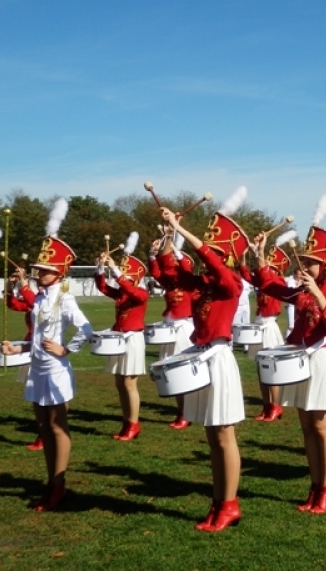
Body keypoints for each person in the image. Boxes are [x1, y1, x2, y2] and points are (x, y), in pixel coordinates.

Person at [159, 194, 247, 532]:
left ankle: (229, 504)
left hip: (219, 358)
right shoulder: (203, 285)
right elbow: (169, 270)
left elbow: (214, 264)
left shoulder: (230, 284)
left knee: (224, 434)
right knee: (212, 434)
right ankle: (219, 500)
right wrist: (170, 232)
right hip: (201, 356)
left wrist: (182, 229)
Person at [0, 199, 94, 511]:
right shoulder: (40, 300)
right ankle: (50, 481)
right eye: (39, 269)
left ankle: (58, 484)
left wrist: (68, 348)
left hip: (55, 370)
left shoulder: (65, 299)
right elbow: (39, 337)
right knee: (43, 426)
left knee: (57, 426)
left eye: (45, 270)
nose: (39, 273)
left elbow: (87, 329)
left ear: (59, 273)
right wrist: (19, 347)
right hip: (38, 367)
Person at [254, 207, 326, 514]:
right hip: (300, 359)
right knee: (306, 427)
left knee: (322, 425)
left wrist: (318, 292)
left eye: (313, 263)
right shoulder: (301, 292)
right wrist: (260, 258)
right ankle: (315, 485)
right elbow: (271, 286)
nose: (306, 266)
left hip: (320, 359)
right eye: (305, 261)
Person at [95, 234, 149, 441]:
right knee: (120, 383)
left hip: (133, 339)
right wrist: (100, 267)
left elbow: (128, 288)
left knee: (129, 383)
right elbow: (103, 287)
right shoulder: (123, 293)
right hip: (118, 338)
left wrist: (115, 269)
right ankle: (127, 421)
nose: (123, 275)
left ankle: (134, 424)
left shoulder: (141, 293)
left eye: (127, 272)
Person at [240, 233, 291, 421]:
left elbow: (263, 272)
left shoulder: (279, 282)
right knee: (260, 369)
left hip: (269, 327)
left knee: (271, 369)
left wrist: (260, 252)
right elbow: (246, 274)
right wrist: (244, 256)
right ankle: (266, 406)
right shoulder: (264, 280)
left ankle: (276, 406)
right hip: (259, 325)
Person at [148, 232, 196, 429]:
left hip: (184, 329)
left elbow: (169, 265)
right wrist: (152, 254)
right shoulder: (170, 282)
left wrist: (170, 237)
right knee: (172, 373)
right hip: (170, 329)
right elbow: (158, 272)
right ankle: (183, 410)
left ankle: (188, 411)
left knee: (183, 373)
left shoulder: (189, 282)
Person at [5, 266, 42, 450]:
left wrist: (24, 282)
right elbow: (14, 304)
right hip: (30, 345)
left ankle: (45, 435)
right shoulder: (36, 297)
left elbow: (34, 303)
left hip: (44, 349)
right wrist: (11, 286)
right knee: (35, 393)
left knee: (42, 394)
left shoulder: (50, 299)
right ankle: (43, 433)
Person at [284, 268, 303, 337]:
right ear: (294, 274)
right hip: (291, 307)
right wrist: (298, 286)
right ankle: (287, 340)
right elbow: (292, 293)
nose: (300, 276)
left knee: (299, 326)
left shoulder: (301, 281)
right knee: (291, 327)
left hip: (299, 307)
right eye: (298, 274)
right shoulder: (290, 281)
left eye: (301, 274)